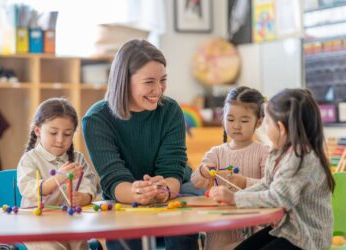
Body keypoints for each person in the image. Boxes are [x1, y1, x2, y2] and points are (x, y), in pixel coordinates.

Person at [82, 39, 199, 250]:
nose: (158, 89)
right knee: (127, 239)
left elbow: (173, 168)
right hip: (124, 199)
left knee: (181, 233)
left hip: (172, 191)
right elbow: (113, 178)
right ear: (124, 81)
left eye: (163, 80)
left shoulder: (171, 111)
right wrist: (137, 192)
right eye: (149, 82)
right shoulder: (97, 119)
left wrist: (165, 189)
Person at [209, 89, 335, 250]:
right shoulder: (278, 152)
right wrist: (235, 196)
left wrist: (235, 199)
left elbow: (278, 198)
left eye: (268, 123)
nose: (265, 128)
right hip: (288, 229)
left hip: (306, 238)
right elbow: (267, 184)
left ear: (281, 128)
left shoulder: (301, 158)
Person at [191, 86, 269, 250]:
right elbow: (195, 183)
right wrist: (203, 172)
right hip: (220, 232)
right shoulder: (216, 153)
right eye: (231, 119)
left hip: (253, 231)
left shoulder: (264, 152)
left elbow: (270, 186)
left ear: (259, 122)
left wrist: (244, 182)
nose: (237, 126)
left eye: (245, 120)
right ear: (223, 118)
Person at [17, 97, 97, 250]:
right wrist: (58, 178)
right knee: (54, 247)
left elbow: (90, 183)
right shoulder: (30, 159)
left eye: (67, 134)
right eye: (53, 133)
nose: (60, 140)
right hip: (35, 225)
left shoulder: (78, 159)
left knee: (80, 244)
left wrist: (85, 197)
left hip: (69, 223)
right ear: (38, 130)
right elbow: (29, 189)